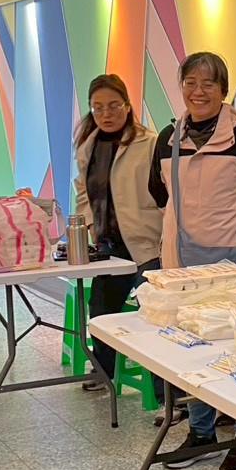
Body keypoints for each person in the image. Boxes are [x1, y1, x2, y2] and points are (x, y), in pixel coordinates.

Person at [149, 51, 236, 470]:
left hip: (234, 267)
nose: (198, 91)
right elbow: (159, 193)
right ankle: (202, 433)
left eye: (208, 83)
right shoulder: (168, 139)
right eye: (190, 82)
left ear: (224, 90)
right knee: (189, 353)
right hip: (182, 268)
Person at [73, 73, 164, 402]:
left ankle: (163, 392)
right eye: (97, 107)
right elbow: (83, 192)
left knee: (152, 316)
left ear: (127, 106)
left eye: (113, 105)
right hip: (108, 246)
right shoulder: (89, 146)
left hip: (146, 243)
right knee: (101, 311)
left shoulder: (148, 143)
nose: (106, 114)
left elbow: (165, 192)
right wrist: (87, 225)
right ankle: (104, 372)